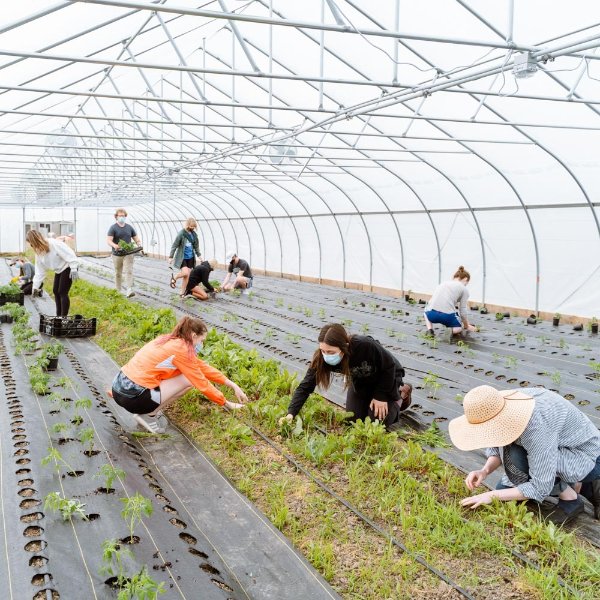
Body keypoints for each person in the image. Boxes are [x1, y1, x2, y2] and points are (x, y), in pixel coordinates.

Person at [448, 385, 600, 525]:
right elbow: (497, 443)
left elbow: (540, 486)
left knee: (515, 462)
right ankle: (577, 483)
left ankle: (571, 497)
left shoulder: (536, 427)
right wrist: (484, 471)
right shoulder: (498, 406)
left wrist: (491, 495)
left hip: (586, 455)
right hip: (558, 445)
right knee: (506, 487)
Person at [110, 316, 248, 433]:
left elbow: (201, 367)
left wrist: (232, 384)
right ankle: (149, 415)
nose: (202, 344)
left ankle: (149, 412)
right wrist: (226, 403)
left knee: (186, 378)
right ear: (194, 336)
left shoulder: (168, 340)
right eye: (202, 340)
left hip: (119, 389)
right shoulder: (182, 350)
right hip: (134, 397)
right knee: (188, 380)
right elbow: (201, 383)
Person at [281, 323, 412, 430]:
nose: (326, 355)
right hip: (361, 382)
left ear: (345, 347)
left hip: (386, 378)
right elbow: (305, 386)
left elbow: (389, 366)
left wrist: (381, 396)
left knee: (376, 423)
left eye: (331, 352)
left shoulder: (365, 346)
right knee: (353, 421)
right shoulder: (321, 359)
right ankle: (373, 401)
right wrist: (291, 414)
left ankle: (401, 395)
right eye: (323, 350)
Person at [27, 230, 80, 317]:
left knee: (62, 291)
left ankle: (64, 318)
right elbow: (39, 271)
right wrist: (35, 287)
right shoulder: (39, 252)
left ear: (35, 240)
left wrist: (74, 267)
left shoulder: (53, 243)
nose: (31, 246)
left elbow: (69, 252)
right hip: (59, 269)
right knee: (56, 291)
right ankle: (58, 316)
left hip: (68, 266)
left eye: (31, 243)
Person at [424, 266, 477, 337]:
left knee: (425, 312)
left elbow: (430, 303)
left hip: (432, 315)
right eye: (466, 283)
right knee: (458, 328)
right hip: (447, 317)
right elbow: (462, 310)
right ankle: (451, 331)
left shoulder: (442, 283)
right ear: (465, 279)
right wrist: (467, 326)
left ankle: (430, 330)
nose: (466, 285)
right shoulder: (464, 289)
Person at [106, 208, 141, 298]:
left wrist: (139, 244)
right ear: (116, 217)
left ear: (125, 216)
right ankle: (118, 290)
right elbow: (109, 240)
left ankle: (129, 290)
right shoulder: (113, 228)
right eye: (120, 216)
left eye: (123, 216)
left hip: (128, 253)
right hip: (117, 254)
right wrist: (115, 246)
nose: (122, 217)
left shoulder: (129, 227)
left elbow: (136, 238)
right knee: (118, 272)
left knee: (128, 271)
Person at [168, 218, 201, 295]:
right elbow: (174, 245)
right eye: (191, 226)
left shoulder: (194, 235)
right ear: (187, 225)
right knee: (185, 272)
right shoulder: (181, 234)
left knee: (187, 276)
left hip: (190, 258)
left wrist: (199, 255)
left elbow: (196, 246)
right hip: (182, 257)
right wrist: (170, 257)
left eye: (193, 227)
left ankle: (182, 293)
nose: (192, 228)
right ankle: (175, 278)